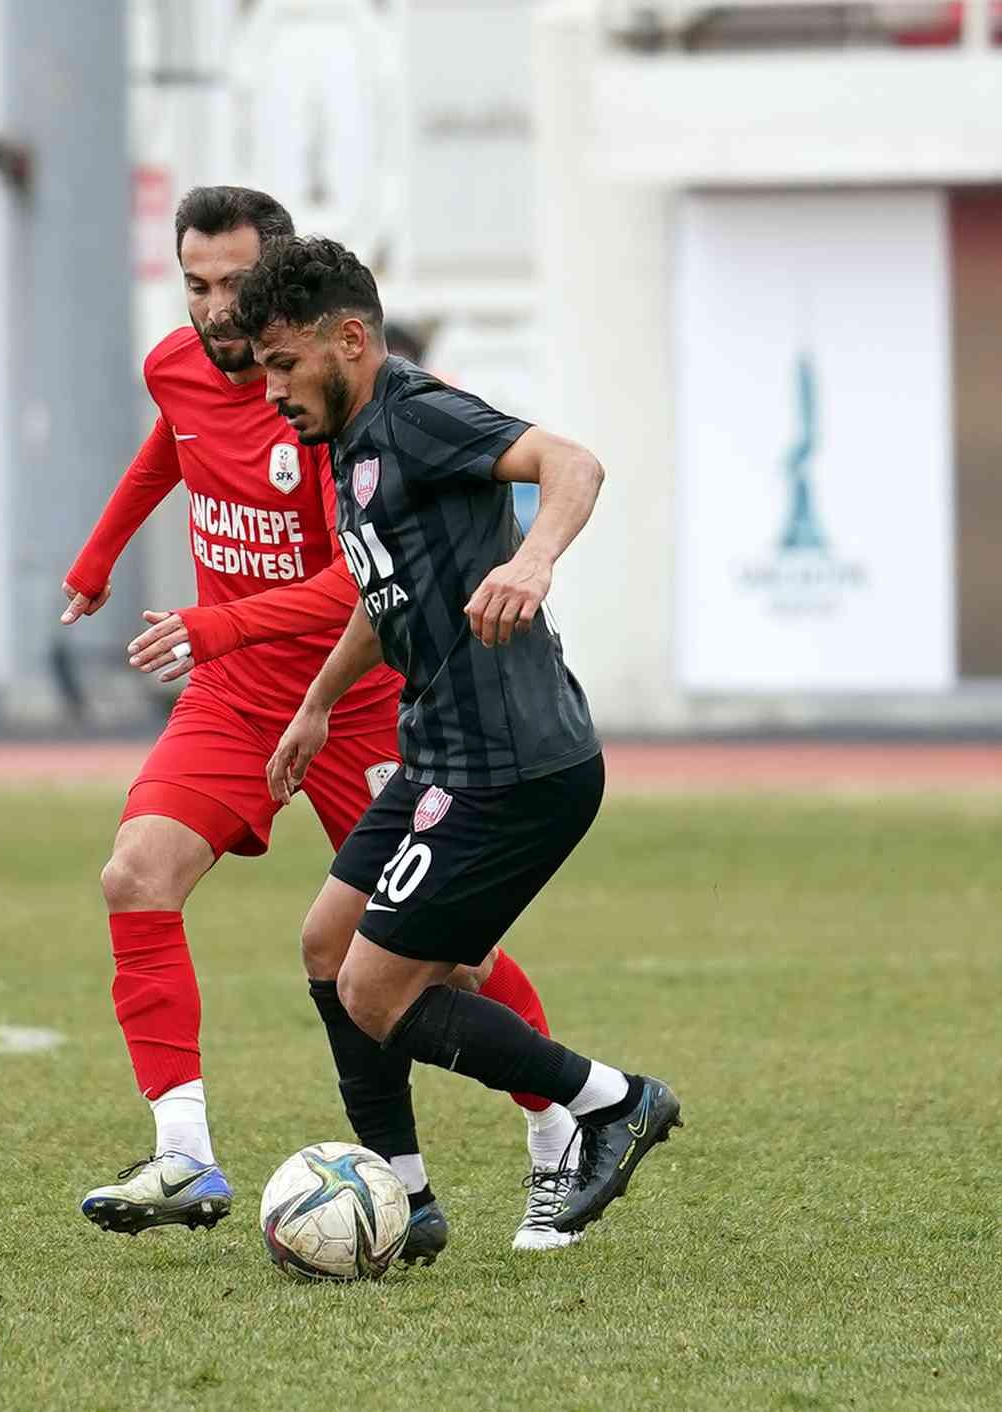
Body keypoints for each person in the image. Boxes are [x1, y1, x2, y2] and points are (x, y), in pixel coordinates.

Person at [62, 187, 580, 1255]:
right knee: (134, 875)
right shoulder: (177, 364)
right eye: (196, 284)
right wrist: (100, 555)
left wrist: (224, 620)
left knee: (445, 958)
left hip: (361, 699)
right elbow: (172, 440)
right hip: (235, 693)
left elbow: (364, 578)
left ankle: (557, 1118)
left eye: (235, 287)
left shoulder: (332, 403)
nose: (215, 311)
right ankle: (184, 1148)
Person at [234, 235, 682, 1240]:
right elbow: (380, 587)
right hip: (442, 749)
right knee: (323, 943)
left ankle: (608, 1100)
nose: (269, 392)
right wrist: (315, 702)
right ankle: (406, 1198)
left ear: (348, 339)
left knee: (376, 988)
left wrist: (531, 560)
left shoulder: (418, 411)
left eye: (280, 364)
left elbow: (574, 462)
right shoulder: (347, 439)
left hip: (514, 762)